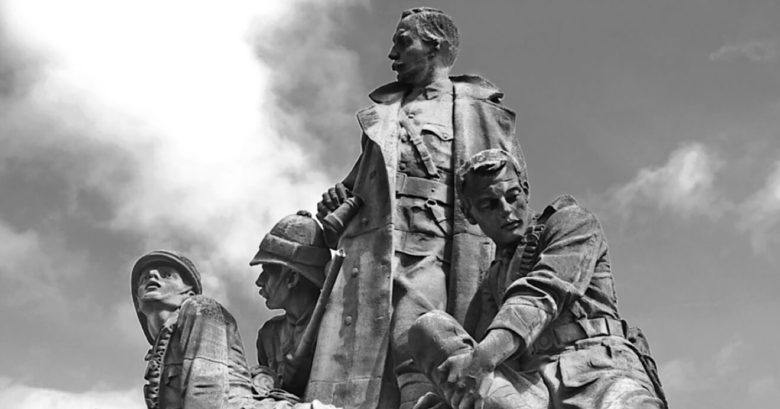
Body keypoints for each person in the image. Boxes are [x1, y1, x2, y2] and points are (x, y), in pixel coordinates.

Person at [311, 8, 525, 409]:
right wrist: (339, 197)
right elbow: (364, 179)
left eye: (402, 42)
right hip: (376, 247)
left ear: (434, 45)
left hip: (438, 246)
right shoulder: (386, 113)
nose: (392, 54)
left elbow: (513, 190)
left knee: (416, 337)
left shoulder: (480, 109)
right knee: (361, 355)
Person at [408, 149, 666, 409]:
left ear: (525, 190)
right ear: (469, 213)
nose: (506, 210)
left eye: (513, 197)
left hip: (600, 372)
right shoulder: (493, 279)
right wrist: (449, 394)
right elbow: (471, 351)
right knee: (429, 328)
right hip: (530, 388)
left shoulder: (571, 222)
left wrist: (484, 357)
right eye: (489, 205)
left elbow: (544, 290)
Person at [131, 249, 335, 409]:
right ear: (138, 304)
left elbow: (205, 392)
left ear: (190, 293)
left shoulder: (200, 308)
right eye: (143, 279)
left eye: (167, 275)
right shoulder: (161, 348)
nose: (152, 277)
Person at [250, 211, 332, 400]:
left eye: (267, 272)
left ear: (292, 278)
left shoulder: (334, 326)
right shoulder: (268, 336)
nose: (259, 282)